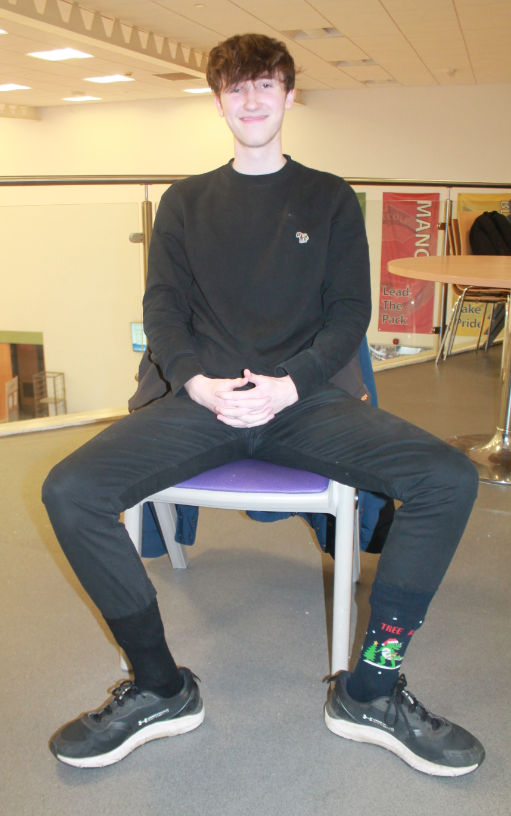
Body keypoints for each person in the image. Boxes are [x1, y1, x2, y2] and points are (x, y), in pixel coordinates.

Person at [43, 33, 485, 775]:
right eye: (236, 88)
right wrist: (194, 381)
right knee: (70, 490)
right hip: (203, 402)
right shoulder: (185, 202)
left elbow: (349, 312)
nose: (251, 100)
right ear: (219, 100)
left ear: (287, 95)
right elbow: (162, 311)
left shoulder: (329, 197)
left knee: (447, 478)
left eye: (265, 86)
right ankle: (160, 687)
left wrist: (292, 383)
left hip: (303, 401)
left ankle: (372, 690)